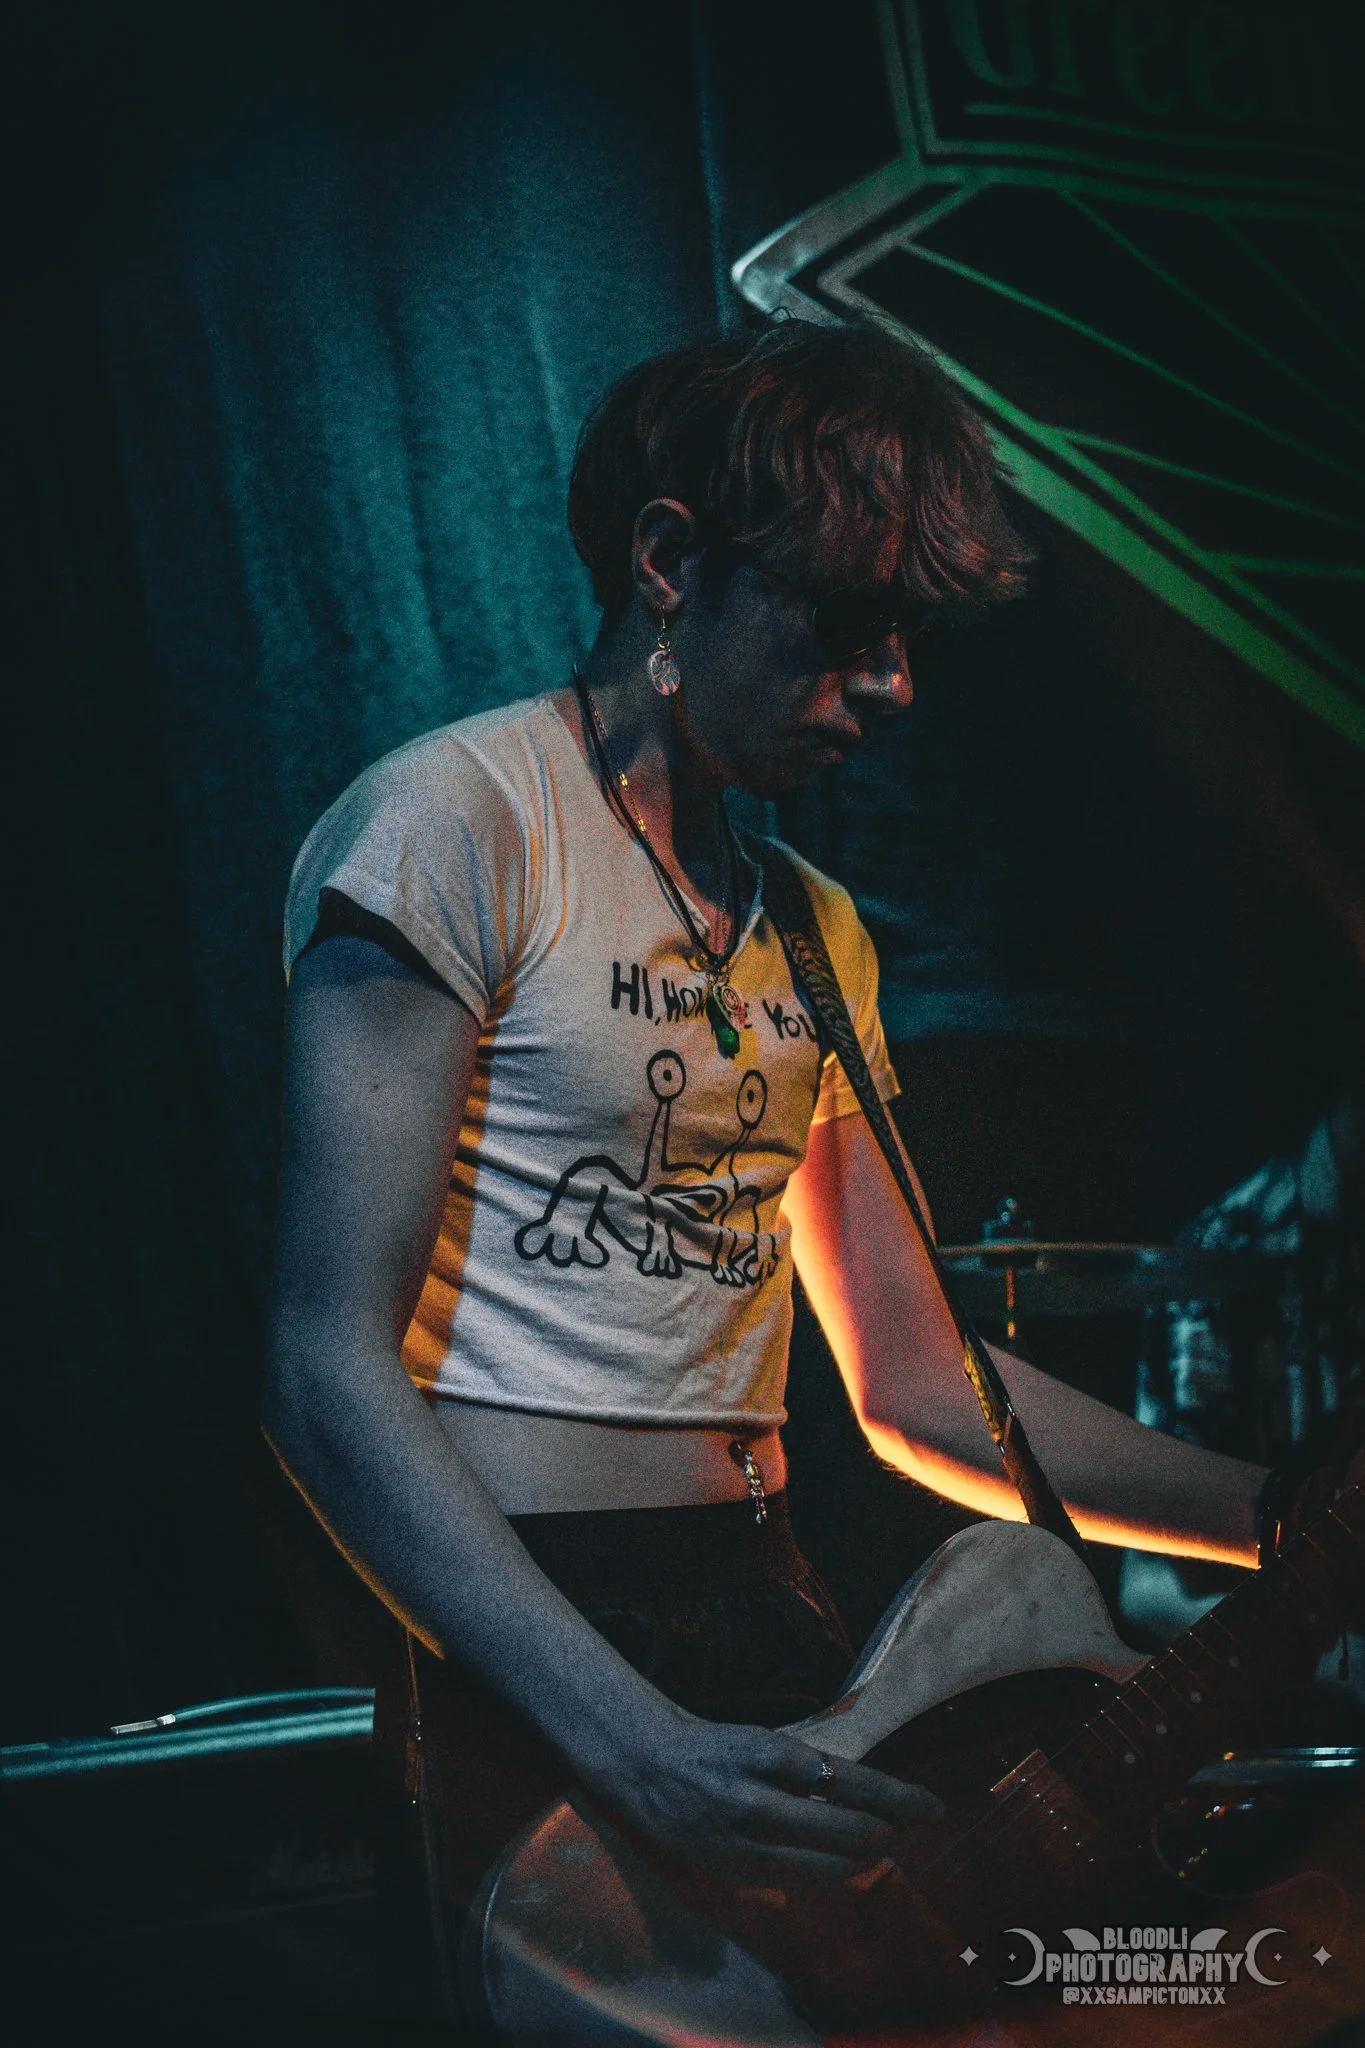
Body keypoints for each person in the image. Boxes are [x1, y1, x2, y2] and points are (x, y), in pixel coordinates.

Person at [263, 322, 1268, 2010]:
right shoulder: (454, 823)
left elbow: (919, 1384)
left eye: (905, 641)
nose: (889, 685)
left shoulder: (819, 935)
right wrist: (629, 1739)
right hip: (521, 1630)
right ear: (670, 560)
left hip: (771, 1606)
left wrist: (1280, 1522)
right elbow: (319, 1368)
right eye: (841, 625)